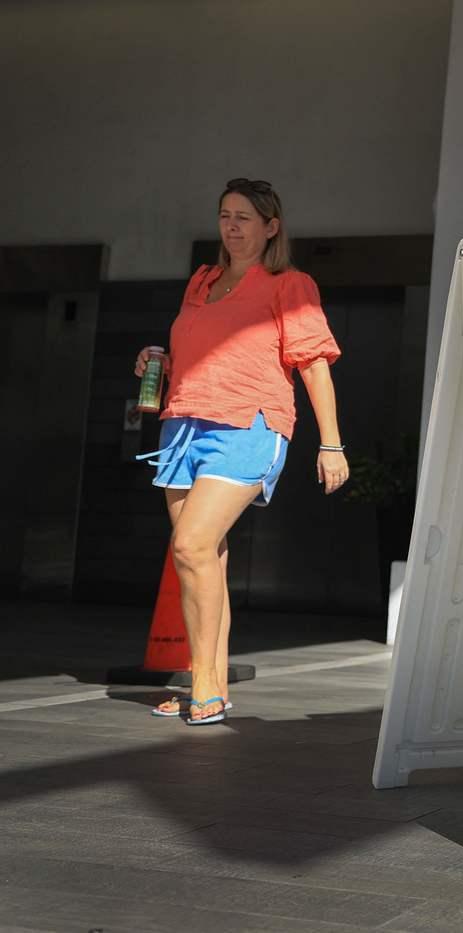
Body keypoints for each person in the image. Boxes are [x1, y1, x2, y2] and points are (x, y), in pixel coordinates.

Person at [134, 177, 348, 725]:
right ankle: (211, 685)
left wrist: (331, 444)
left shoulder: (289, 283)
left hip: (249, 426)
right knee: (201, 559)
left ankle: (203, 684)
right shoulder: (201, 282)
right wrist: (157, 356)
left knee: (191, 545)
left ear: (270, 226)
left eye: (244, 218)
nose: (231, 226)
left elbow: (313, 362)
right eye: (225, 215)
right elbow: (199, 350)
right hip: (183, 424)